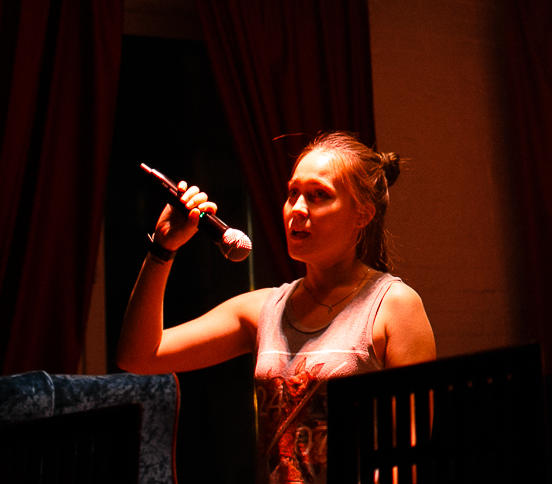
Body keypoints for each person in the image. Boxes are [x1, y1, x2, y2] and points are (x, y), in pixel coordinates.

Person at [117, 132, 436, 484]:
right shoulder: (264, 310)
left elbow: (411, 457)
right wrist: (163, 248)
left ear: (362, 214)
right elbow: (138, 357)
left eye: (318, 195)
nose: (297, 208)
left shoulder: (393, 306)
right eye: (293, 193)